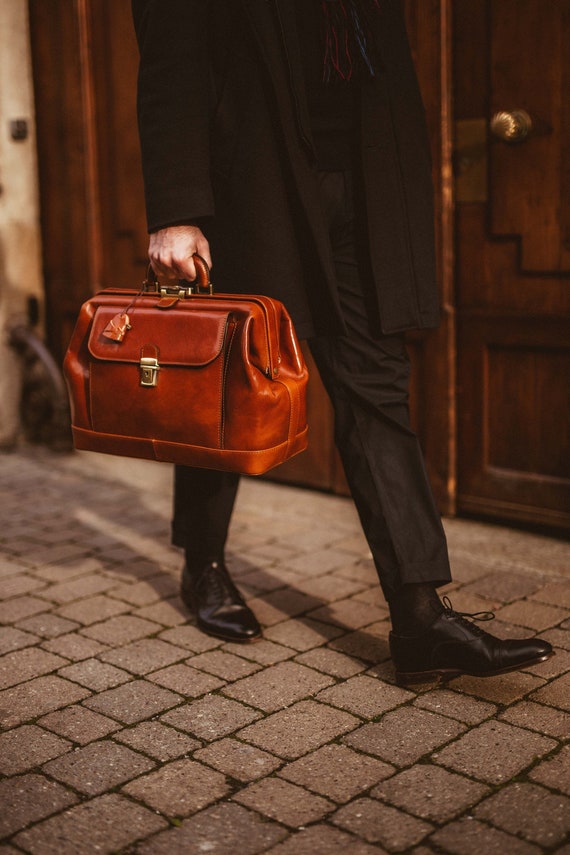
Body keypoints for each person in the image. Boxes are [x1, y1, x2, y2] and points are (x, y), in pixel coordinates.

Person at [131, 0, 553, 685]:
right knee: (236, 383)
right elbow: (172, 53)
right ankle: (203, 564)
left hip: (365, 174)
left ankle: (419, 617)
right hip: (258, 177)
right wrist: (177, 209)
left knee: (378, 382)